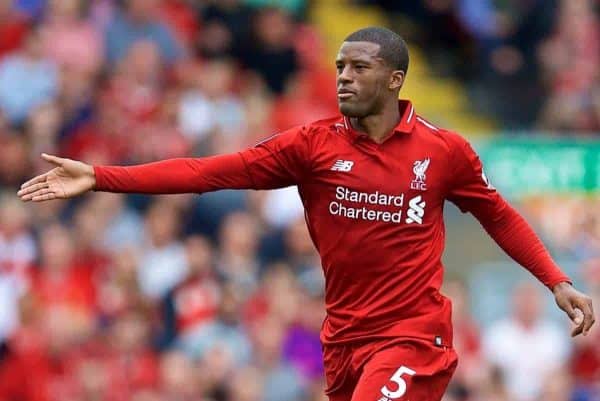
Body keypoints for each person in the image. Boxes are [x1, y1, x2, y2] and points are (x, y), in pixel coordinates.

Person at [17, 27, 595, 401]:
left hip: (413, 339)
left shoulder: (443, 152)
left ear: (394, 80)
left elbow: (498, 215)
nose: (343, 75)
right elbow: (208, 172)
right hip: (342, 343)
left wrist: (556, 279)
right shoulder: (312, 147)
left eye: (359, 67)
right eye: (340, 65)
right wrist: (100, 177)